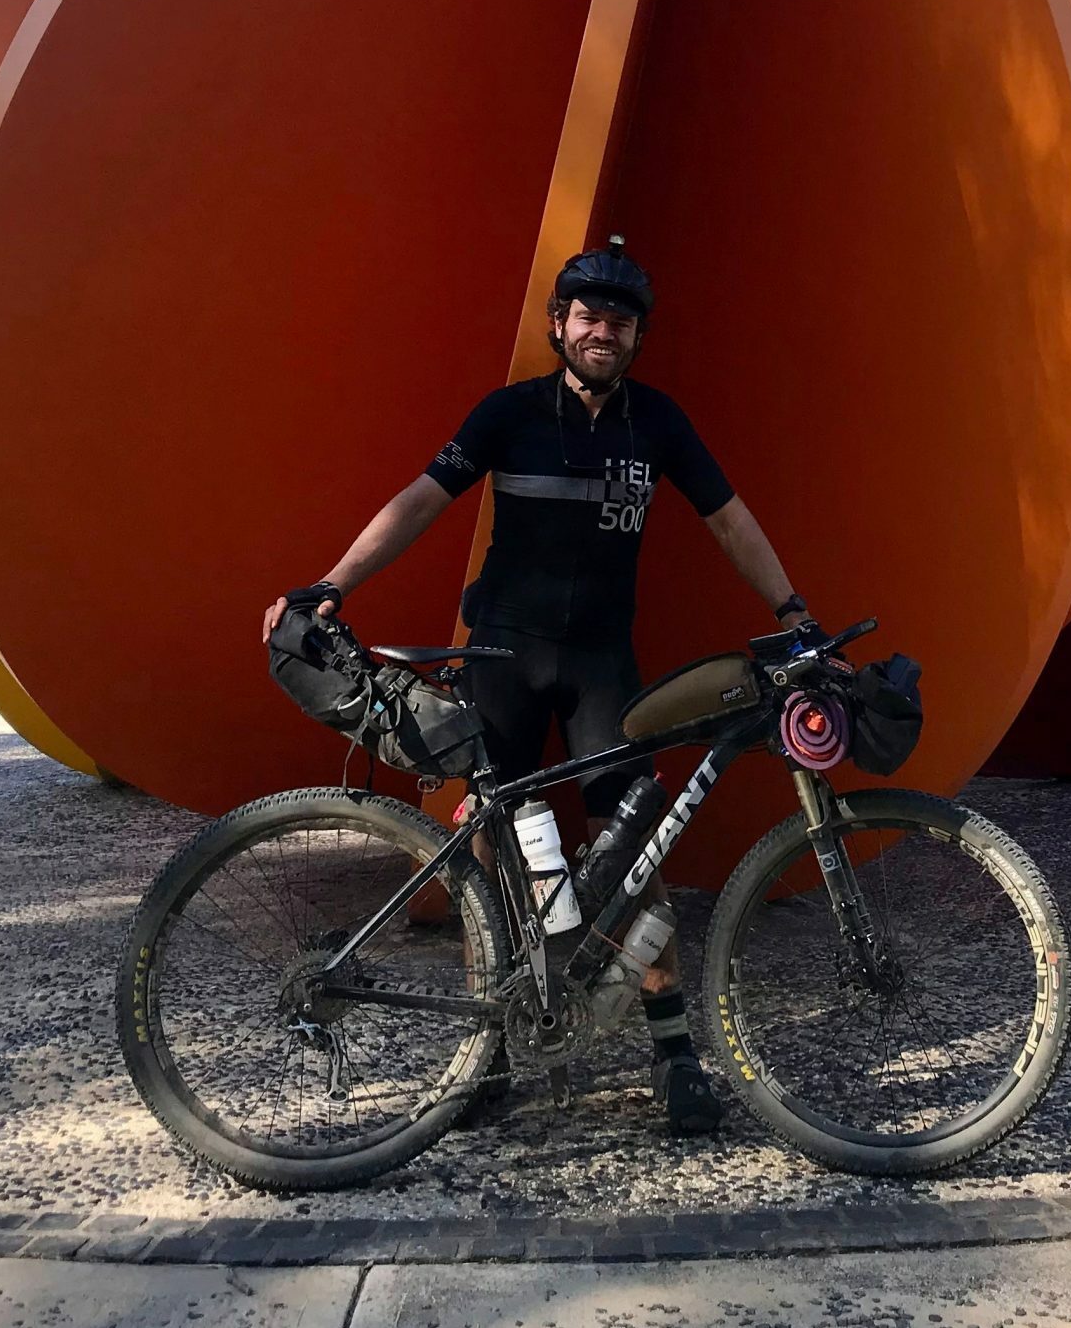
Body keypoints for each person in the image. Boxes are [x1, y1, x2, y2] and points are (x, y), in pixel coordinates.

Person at [259, 237, 816, 1135]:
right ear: (560, 325)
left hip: (603, 667)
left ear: (638, 336)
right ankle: (486, 1049)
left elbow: (729, 519)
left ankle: (675, 1053)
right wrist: (331, 584)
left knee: (635, 850)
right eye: (587, 315)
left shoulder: (659, 423)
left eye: (621, 319)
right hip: (504, 661)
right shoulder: (507, 415)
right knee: (490, 855)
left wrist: (792, 609)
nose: (604, 329)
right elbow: (421, 499)